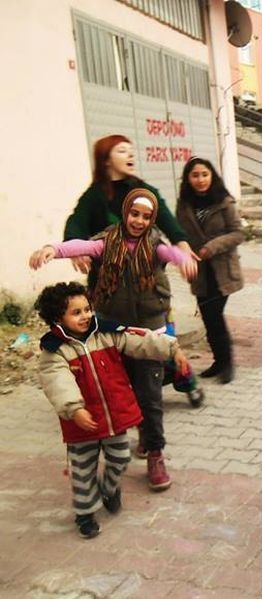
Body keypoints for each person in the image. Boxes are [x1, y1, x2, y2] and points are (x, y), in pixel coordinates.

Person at [30, 189, 195, 491]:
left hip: (148, 331)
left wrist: (183, 258)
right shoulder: (107, 242)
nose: (139, 221)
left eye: (146, 216)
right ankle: (141, 436)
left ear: (152, 219)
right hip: (110, 331)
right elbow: (82, 245)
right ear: (125, 212)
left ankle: (155, 453)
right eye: (134, 214)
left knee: (150, 395)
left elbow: (169, 253)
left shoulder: (155, 245)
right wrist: (54, 249)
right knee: (122, 391)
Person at [35, 282, 190, 538]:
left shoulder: (105, 333)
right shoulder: (54, 350)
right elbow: (57, 381)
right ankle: (85, 513)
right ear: (57, 318)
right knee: (83, 469)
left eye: (87, 309)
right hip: (82, 422)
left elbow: (139, 340)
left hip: (115, 418)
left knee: (120, 457)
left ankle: (109, 488)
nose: (85, 316)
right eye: (76, 312)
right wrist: (74, 408)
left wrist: (172, 348)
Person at [64, 134, 195, 278]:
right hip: (108, 278)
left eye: (131, 151)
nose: (130, 154)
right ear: (106, 160)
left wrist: (182, 244)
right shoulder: (95, 195)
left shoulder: (144, 190)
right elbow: (76, 222)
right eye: (122, 151)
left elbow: (167, 221)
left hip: (145, 274)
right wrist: (74, 248)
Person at [176, 157, 244, 384]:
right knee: (208, 316)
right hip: (199, 270)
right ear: (188, 179)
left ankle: (227, 363)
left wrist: (211, 247)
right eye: (195, 175)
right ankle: (219, 361)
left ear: (212, 176)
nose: (200, 180)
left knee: (214, 316)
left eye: (204, 174)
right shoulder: (184, 204)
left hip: (222, 269)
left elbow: (237, 233)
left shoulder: (224, 201)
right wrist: (180, 255)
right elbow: (179, 234)